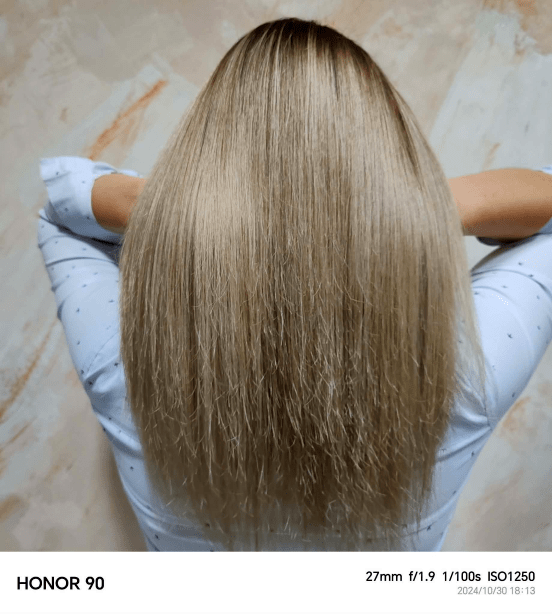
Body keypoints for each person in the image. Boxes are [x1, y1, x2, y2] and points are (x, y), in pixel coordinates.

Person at [36, 17, 552, 551]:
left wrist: (193, 212)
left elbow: (61, 206)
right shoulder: (469, 375)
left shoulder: (122, 367)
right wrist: (412, 208)